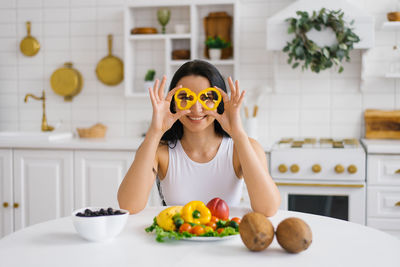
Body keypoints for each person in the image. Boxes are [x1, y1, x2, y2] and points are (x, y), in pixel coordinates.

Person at [118, 60, 280, 216]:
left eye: (207, 97)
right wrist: (155, 131)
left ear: (219, 102)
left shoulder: (243, 148)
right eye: (185, 98)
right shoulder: (159, 150)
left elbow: (268, 209)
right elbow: (128, 206)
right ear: (173, 103)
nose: (196, 108)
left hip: (225, 241)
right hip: (175, 241)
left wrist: (238, 134)